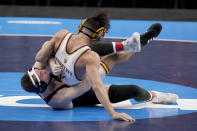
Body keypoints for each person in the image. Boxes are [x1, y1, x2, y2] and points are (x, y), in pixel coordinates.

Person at [21, 12, 178, 122]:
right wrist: (113, 112)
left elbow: (41, 55)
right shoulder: (58, 98)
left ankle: (130, 44)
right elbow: (93, 85)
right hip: (82, 93)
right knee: (132, 88)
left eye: (38, 70)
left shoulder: (38, 75)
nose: (41, 70)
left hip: (73, 74)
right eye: (42, 73)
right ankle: (153, 96)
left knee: (84, 56)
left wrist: (53, 63)